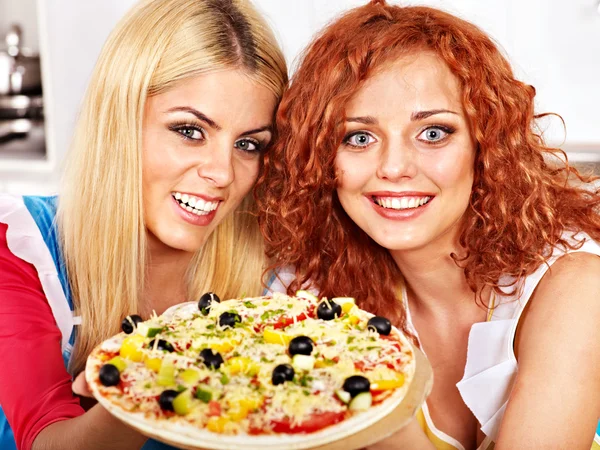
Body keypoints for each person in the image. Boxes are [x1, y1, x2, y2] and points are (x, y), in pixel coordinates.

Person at [257, 1, 600, 449]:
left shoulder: (576, 285)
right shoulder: (306, 300)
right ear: (323, 160)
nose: (394, 167)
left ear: (486, 143)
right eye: (359, 137)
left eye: (433, 133)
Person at [0, 0, 287, 448]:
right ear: (120, 119)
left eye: (248, 144)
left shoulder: (279, 285)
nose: (224, 173)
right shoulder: (21, 248)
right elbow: (46, 439)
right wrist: (144, 386)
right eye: (190, 131)